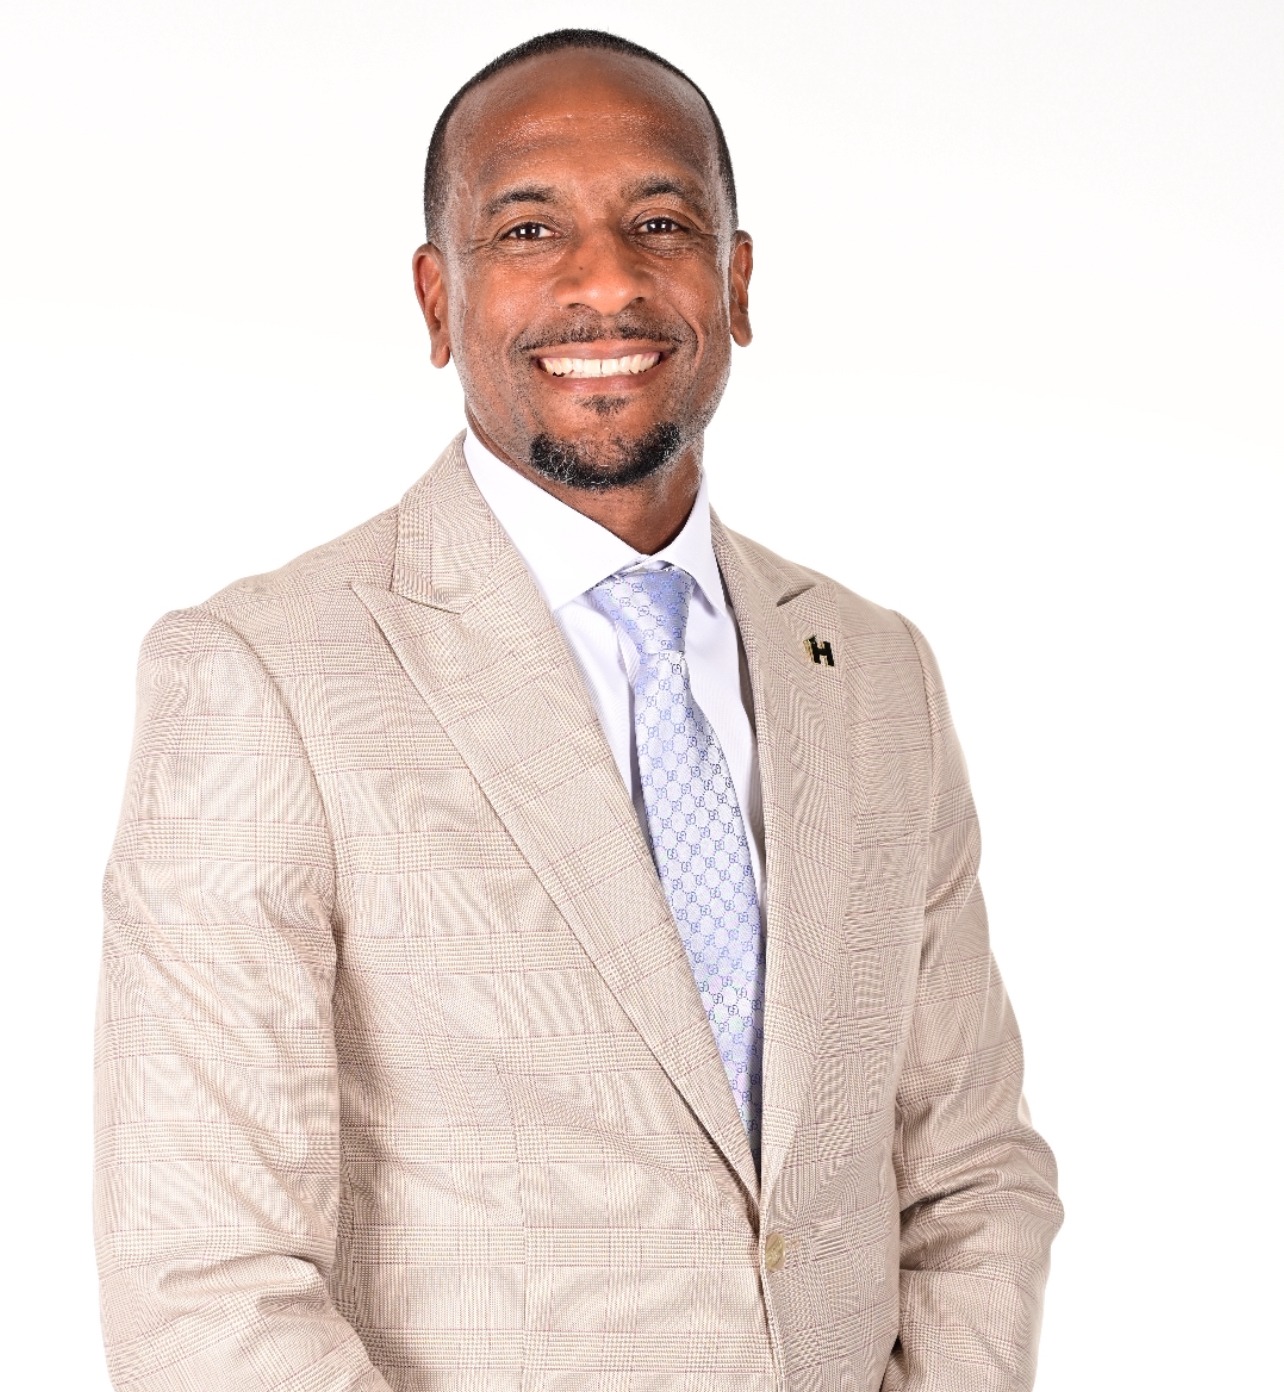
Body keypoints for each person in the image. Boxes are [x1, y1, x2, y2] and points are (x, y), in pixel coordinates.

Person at [94, 28, 1062, 1392]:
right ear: (439, 301)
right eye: (530, 227)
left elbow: (971, 1178)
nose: (605, 281)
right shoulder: (262, 676)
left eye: (660, 222)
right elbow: (203, 1284)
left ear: (733, 282)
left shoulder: (874, 671)